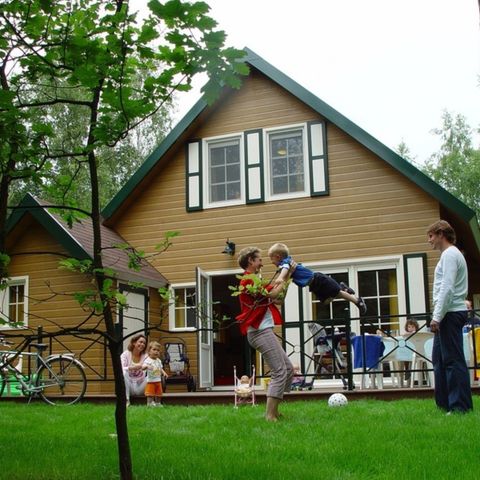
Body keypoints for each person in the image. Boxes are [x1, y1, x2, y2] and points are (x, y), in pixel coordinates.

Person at [236, 246, 294, 421]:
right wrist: (284, 274)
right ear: (251, 261)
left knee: (288, 369)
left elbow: (279, 298)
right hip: (259, 332)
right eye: (259, 259)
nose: (262, 262)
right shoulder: (247, 281)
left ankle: (274, 410)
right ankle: (270, 415)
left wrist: (288, 277)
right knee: (279, 371)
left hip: (264, 331)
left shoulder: (257, 281)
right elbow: (274, 292)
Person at [427, 220, 473, 413]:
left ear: (440, 234)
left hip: (450, 313)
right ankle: (444, 404)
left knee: (453, 360)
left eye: (430, 236)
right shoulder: (449, 255)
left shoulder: (450, 255)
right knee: (438, 359)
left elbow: (447, 288)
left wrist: (437, 317)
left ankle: (459, 407)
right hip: (448, 312)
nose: (429, 241)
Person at [268, 243, 367, 315]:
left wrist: (280, 278)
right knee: (326, 301)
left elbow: (285, 268)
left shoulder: (286, 262)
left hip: (318, 279)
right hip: (314, 285)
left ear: (278, 256)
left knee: (337, 293)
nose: (272, 262)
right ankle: (342, 287)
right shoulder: (285, 265)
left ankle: (357, 301)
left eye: (271, 259)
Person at [120, 334, 148, 407]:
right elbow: (120, 368)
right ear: (134, 342)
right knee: (123, 372)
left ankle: (153, 400)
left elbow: (148, 365)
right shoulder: (125, 354)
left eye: (144, 343)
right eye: (140, 342)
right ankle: (127, 400)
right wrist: (131, 368)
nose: (142, 344)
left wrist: (143, 366)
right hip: (129, 387)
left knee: (153, 374)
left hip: (141, 386)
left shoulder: (146, 356)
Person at [143, 341, 169, 407]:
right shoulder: (147, 360)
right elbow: (142, 367)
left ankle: (158, 403)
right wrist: (146, 366)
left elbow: (160, 368)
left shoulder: (158, 360)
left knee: (158, 393)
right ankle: (149, 403)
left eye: (158, 350)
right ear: (149, 351)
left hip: (158, 380)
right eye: (154, 349)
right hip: (151, 381)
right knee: (150, 393)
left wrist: (164, 373)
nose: (156, 351)